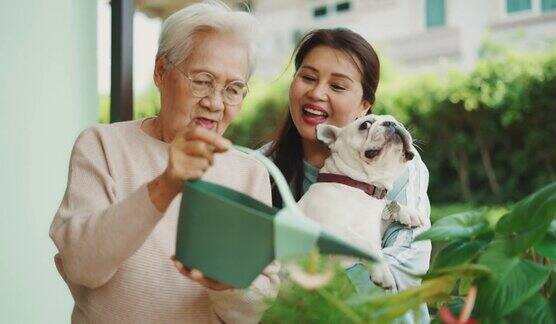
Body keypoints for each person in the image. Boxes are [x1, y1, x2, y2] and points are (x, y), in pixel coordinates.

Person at [49, 2, 279, 323]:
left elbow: (260, 307)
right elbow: (82, 265)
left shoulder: (249, 174)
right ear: (161, 71)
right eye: (202, 80)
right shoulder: (102, 146)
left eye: (232, 89)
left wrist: (229, 287)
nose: (214, 102)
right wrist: (168, 182)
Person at [265, 28, 431, 323]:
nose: (317, 93)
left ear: (364, 105)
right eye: (308, 78)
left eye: (338, 86)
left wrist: (327, 282)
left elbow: (410, 257)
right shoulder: (264, 165)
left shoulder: (398, 163)